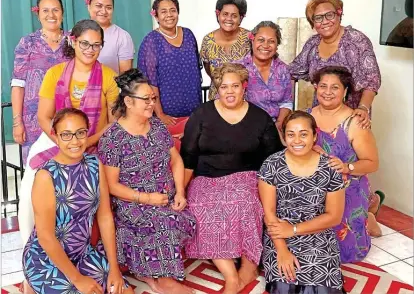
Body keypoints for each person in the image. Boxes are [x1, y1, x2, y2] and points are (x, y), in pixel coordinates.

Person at [18, 19, 119, 256]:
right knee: (30, 181)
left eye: (96, 45)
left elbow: (114, 122)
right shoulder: (55, 74)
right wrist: (64, 143)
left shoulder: (109, 76)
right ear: (73, 41)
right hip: (55, 139)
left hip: (95, 141)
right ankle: (29, 251)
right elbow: (44, 117)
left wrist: (86, 142)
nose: (90, 50)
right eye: (84, 43)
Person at [181, 63, 283, 294]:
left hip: (247, 176)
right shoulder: (202, 114)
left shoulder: (260, 117)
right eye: (223, 86)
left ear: (244, 86)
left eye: (235, 86)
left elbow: (274, 158)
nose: (229, 91)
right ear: (217, 88)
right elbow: (187, 157)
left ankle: (248, 266)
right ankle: (231, 276)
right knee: (201, 207)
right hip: (205, 177)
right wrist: (179, 191)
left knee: (246, 203)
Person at [98, 68, 196, 294]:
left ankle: (145, 270)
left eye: (153, 98)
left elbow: (176, 161)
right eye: (146, 99)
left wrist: (180, 192)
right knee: (165, 222)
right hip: (134, 203)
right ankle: (162, 278)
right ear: (129, 102)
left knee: (186, 218)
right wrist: (147, 198)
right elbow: (111, 185)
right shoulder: (113, 138)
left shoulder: (158, 127)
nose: (152, 103)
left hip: (166, 197)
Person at [22, 108, 134, 294]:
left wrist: (113, 268)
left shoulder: (94, 165)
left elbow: (105, 217)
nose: (74, 141)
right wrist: (78, 279)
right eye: (66, 135)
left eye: (80, 133)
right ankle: (31, 284)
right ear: (55, 136)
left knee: (125, 292)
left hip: (81, 253)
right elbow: (45, 237)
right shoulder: (46, 176)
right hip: (45, 258)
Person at [258, 110, 346, 294]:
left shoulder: (330, 168)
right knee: (285, 286)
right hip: (279, 235)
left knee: (323, 290)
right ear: (283, 137)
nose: (297, 140)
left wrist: (295, 229)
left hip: (318, 232)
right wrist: (281, 250)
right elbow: (269, 213)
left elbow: (334, 217)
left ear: (315, 136)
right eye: (291, 134)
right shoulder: (271, 165)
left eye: (303, 134)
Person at [309, 66, 382, 263]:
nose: (327, 92)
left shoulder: (355, 122)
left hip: (347, 188)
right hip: (314, 187)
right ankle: (371, 212)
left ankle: (369, 217)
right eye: (323, 86)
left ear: (345, 91)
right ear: (316, 88)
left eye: (335, 87)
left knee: (344, 252)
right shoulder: (306, 116)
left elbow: (372, 163)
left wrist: (346, 167)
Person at [289, 0, 381, 129]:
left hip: (352, 118)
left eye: (329, 15)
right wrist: (287, 108)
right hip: (320, 117)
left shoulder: (356, 40)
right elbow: (292, 72)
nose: (325, 21)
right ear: (313, 23)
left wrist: (363, 108)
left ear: (339, 14)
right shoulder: (312, 44)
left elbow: (372, 81)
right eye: (318, 18)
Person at [11, 0, 69, 165]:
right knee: (36, 170)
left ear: (62, 13)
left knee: (66, 169)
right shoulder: (27, 43)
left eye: (55, 10)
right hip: (33, 121)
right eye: (45, 11)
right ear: (38, 14)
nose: (51, 15)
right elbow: (18, 84)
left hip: (66, 117)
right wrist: (17, 122)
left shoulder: (73, 41)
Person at [138, 0, 202, 147]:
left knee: (195, 148)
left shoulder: (188, 34)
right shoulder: (151, 41)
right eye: (164, 11)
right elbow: (150, 81)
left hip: (193, 108)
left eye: (173, 10)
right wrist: (160, 114)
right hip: (167, 113)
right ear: (156, 15)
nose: (169, 15)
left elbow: (196, 69)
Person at [237, 21, 293, 132]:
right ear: (252, 40)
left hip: (274, 128)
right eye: (261, 40)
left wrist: (279, 124)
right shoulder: (237, 69)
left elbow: (286, 102)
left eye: (271, 41)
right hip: (244, 128)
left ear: (277, 45)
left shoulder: (283, 69)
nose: (266, 45)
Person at [200, 0, 250, 100]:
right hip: (217, 98)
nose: (229, 19)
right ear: (218, 14)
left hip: (244, 100)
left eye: (234, 16)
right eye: (225, 14)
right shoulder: (208, 40)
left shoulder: (249, 39)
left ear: (241, 18)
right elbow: (208, 68)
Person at [86, 0, 135, 74]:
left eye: (108, 7)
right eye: (99, 6)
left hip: (111, 86)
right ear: (89, 6)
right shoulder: (76, 33)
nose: (103, 11)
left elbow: (125, 77)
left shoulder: (122, 36)